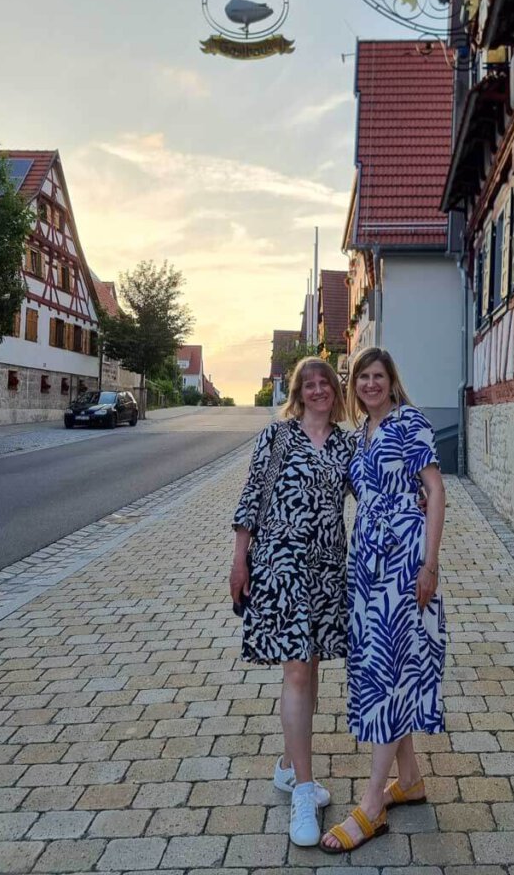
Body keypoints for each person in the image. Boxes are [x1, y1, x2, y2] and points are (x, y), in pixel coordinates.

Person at [321, 347, 446, 854]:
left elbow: (434, 491)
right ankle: (409, 778)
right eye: (362, 377)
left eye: (378, 376)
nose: (370, 383)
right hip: (367, 566)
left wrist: (429, 564)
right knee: (387, 668)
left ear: (392, 382)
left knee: (392, 671)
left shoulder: (408, 422)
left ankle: (372, 803)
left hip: (404, 563)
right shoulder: (361, 436)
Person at [230, 357, 353, 848]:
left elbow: (374, 489)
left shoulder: (347, 443)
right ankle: (303, 790)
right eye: (310, 383)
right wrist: (241, 561)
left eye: (326, 383)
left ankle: (287, 766)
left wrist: (423, 496)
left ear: (334, 391)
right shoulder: (276, 436)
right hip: (281, 563)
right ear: (299, 391)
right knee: (297, 670)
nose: (319, 389)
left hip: (326, 567)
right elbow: (250, 497)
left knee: (312, 668)